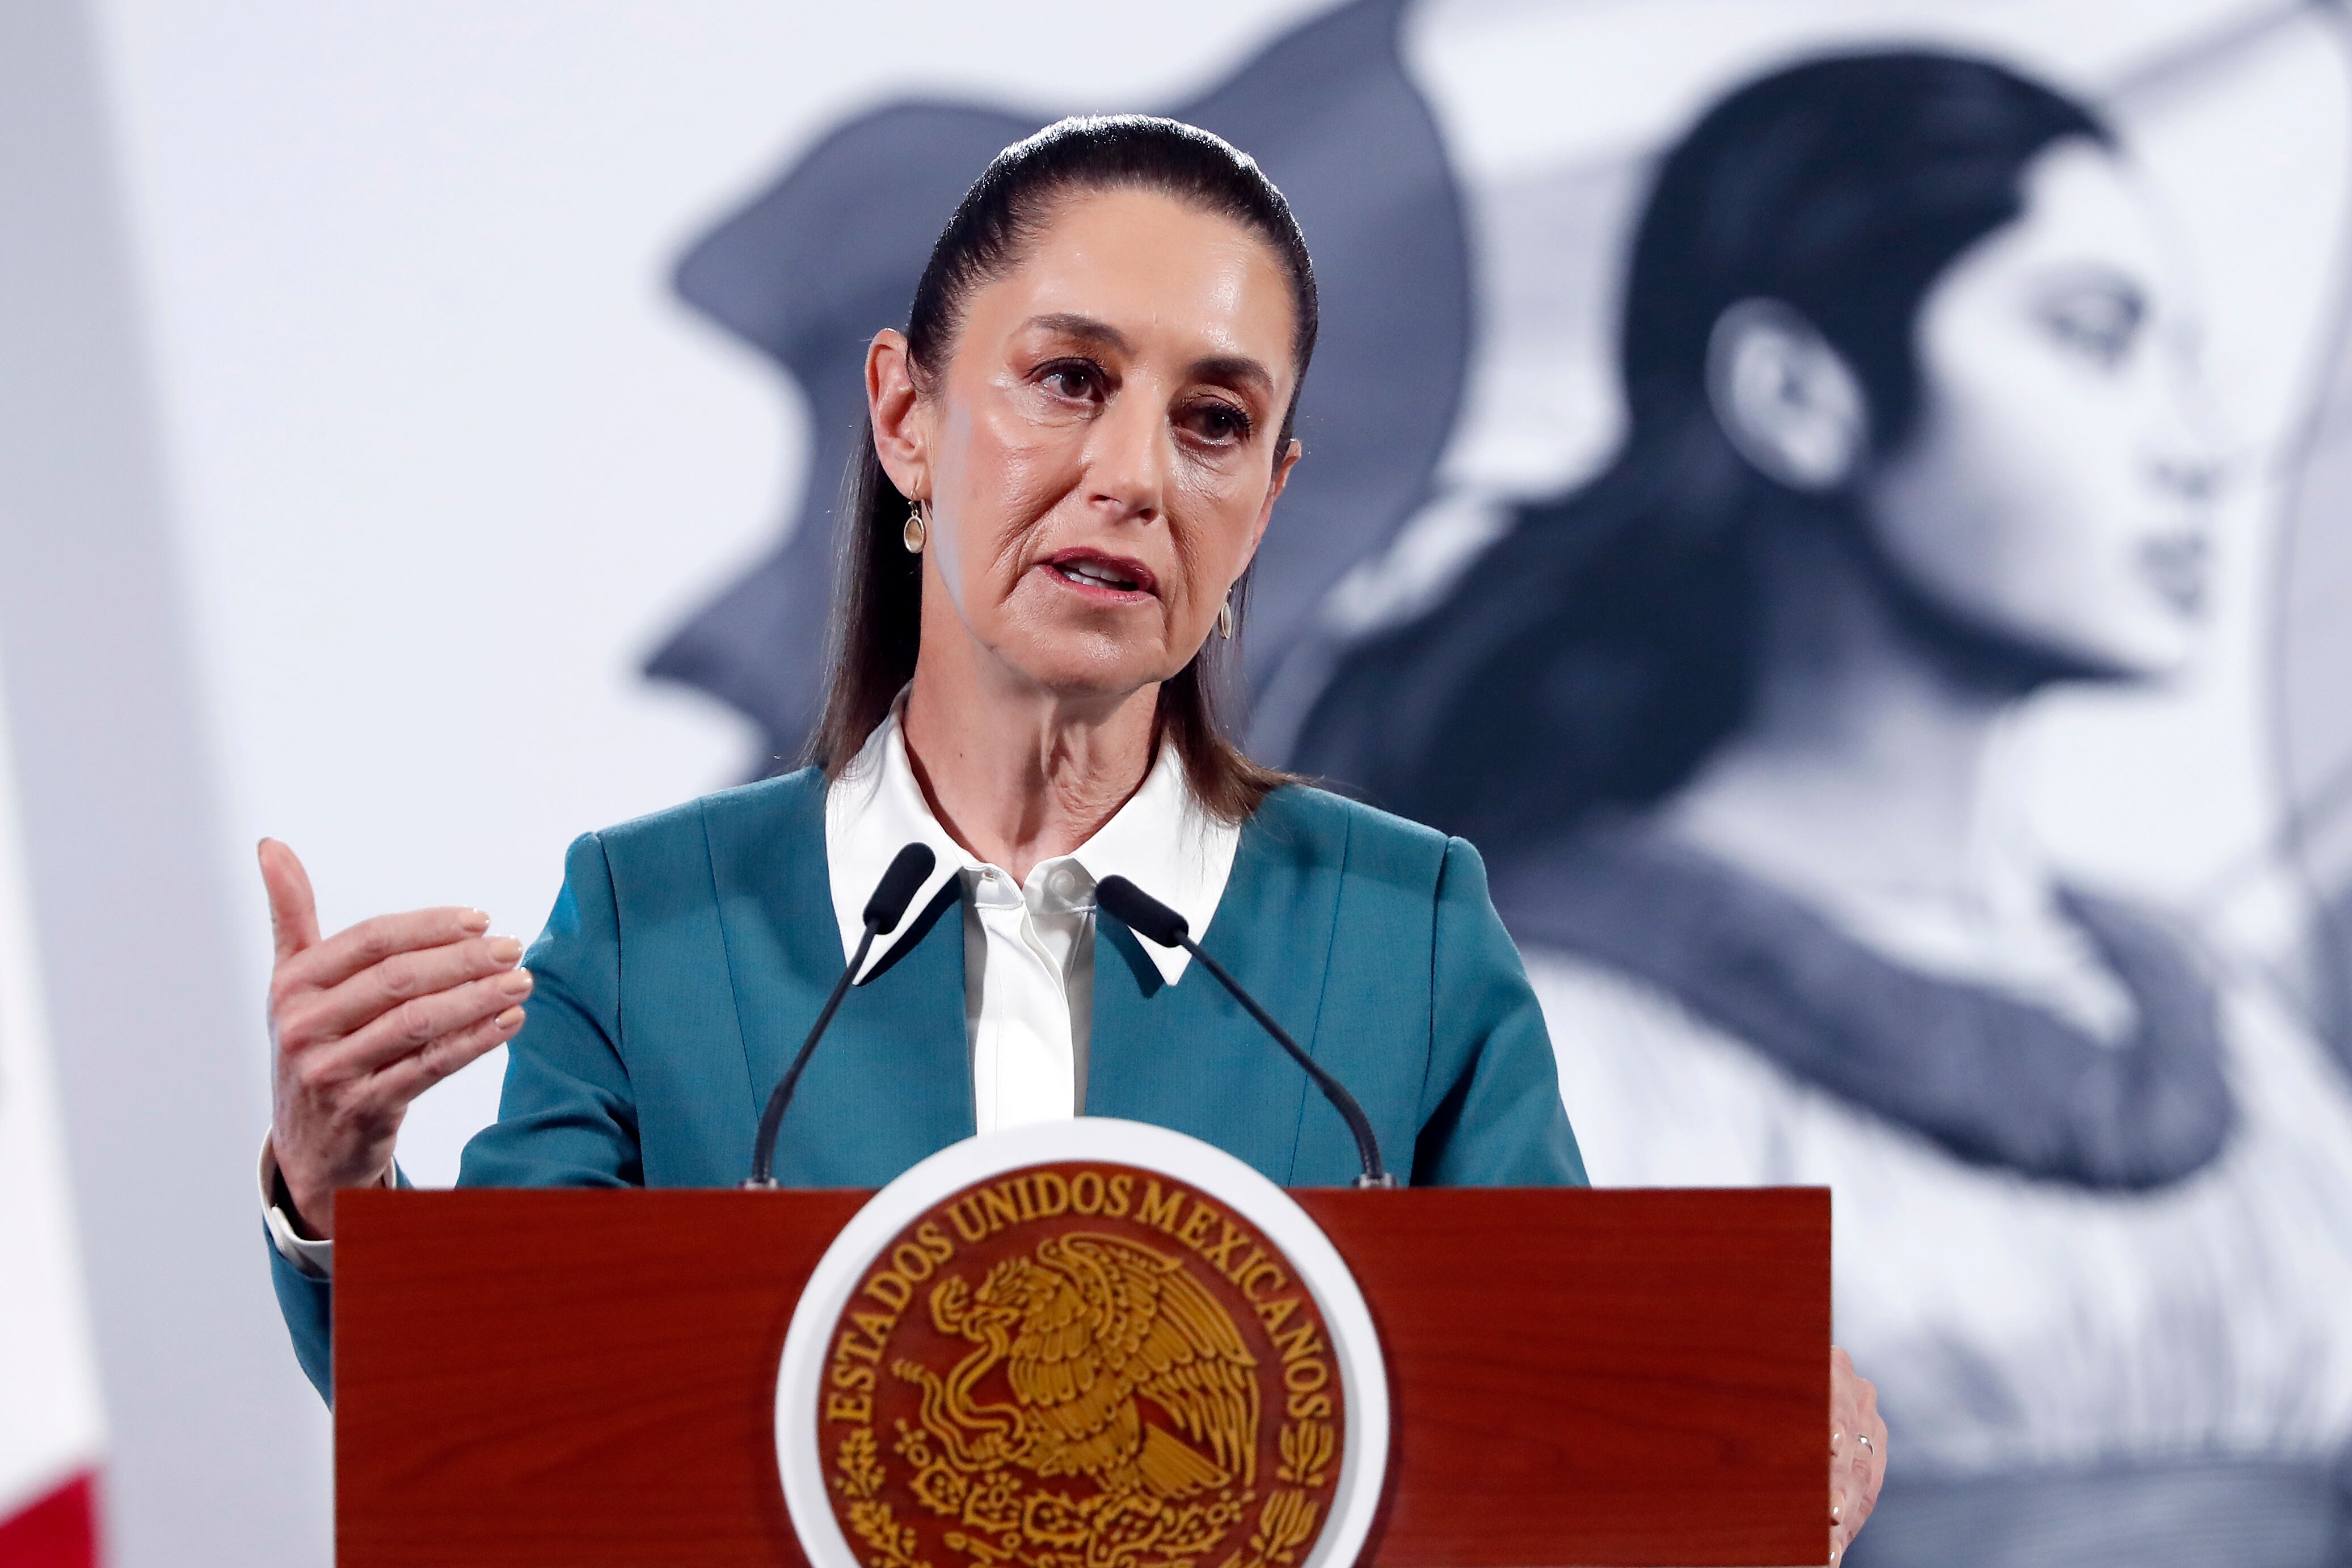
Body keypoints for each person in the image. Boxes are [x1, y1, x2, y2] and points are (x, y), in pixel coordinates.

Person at [251, 116, 1888, 1559]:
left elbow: (1561, 1417)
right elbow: (503, 1426)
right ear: (905, 417)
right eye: (1067, 381)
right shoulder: (653, 919)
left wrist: (1746, 1419)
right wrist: (342, 1188)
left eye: (1215, 420)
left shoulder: (1406, 926)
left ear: (1267, 496)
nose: (1131, 476)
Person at [1293, 52, 2352, 1567]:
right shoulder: (1558, 1046)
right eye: (2091, 338)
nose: (2193, 447)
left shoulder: (2233, 1031)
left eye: (2184, 357)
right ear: (1797, 394)